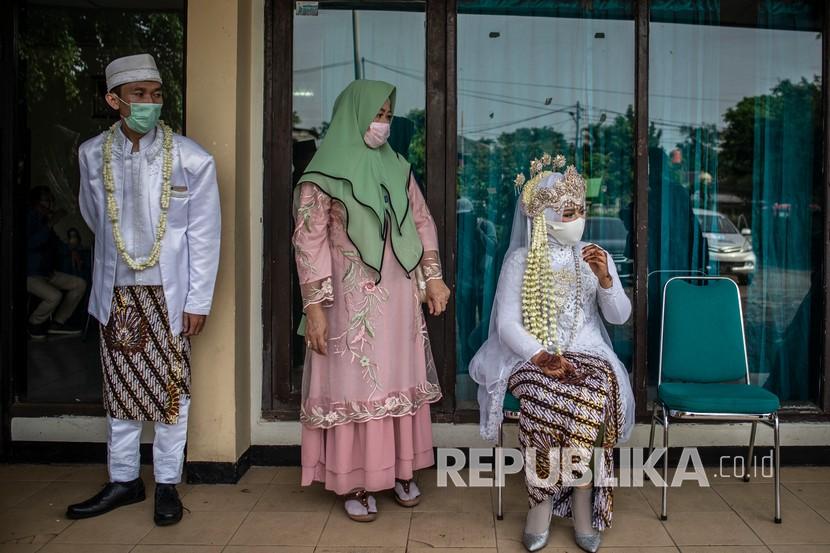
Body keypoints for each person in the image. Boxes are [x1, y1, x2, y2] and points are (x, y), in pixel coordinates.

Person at [66, 53, 221, 526]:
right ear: (115, 100)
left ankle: (168, 483)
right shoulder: (92, 154)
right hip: (118, 293)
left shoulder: (192, 158)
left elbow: (204, 234)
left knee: (172, 392)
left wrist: (197, 300)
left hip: (168, 295)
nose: (149, 104)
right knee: (120, 392)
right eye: (138, 95)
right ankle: (125, 480)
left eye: (155, 95)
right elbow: (94, 217)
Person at [292, 79, 451, 522]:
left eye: (387, 115)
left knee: (399, 379)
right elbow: (309, 242)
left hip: (399, 298)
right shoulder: (323, 173)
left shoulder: (397, 166)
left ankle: (400, 470)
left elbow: (421, 222)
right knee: (355, 385)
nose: (382, 123)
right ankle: (354, 479)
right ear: (353, 113)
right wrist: (315, 308)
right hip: (347, 301)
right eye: (376, 114)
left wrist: (433, 280)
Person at [470, 154, 635, 552]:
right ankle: (541, 502)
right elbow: (508, 324)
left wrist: (607, 281)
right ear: (542, 216)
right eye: (566, 212)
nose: (575, 219)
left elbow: (620, 316)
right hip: (531, 356)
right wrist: (541, 356)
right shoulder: (521, 260)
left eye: (579, 211)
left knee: (593, 395)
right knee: (544, 397)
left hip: (590, 353)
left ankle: (581, 500)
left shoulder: (595, 256)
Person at [26, 186, 86, 339]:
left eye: (51, 200)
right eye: (46, 200)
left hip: (47, 273)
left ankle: (57, 323)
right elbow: (31, 243)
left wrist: (71, 250)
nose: (50, 204)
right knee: (54, 295)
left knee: (79, 284)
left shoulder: (45, 222)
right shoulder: (29, 218)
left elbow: (57, 246)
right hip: (31, 274)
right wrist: (50, 224)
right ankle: (34, 324)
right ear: (36, 203)